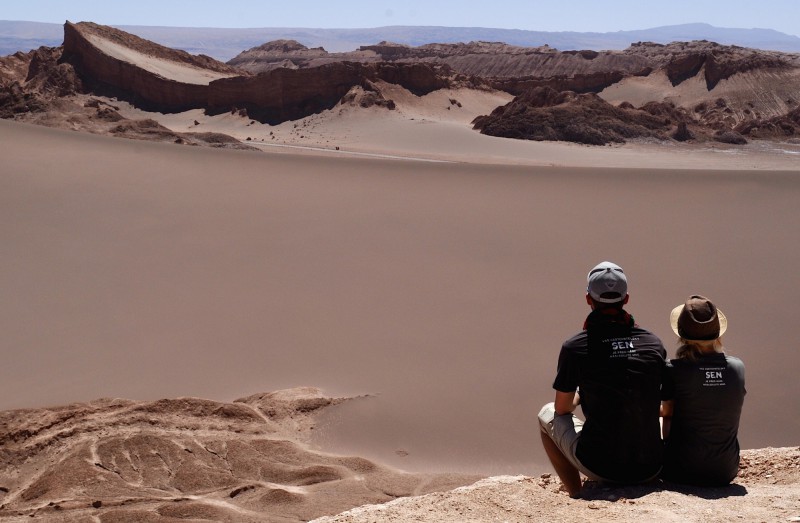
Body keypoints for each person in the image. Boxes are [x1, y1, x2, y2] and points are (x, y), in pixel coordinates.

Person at [538, 261, 667, 497]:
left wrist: (579, 394)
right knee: (659, 414)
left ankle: (575, 493)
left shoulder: (576, 346)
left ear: (588, 299)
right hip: (651, 467)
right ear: (626, 299)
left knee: (545, 414)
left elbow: (562, 408)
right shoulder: (653, 344)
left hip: (601, 466)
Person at [660, 295, 746, 486]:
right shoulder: (737, 367)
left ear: (682, 336)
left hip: (679, 472)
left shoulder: (673, 369)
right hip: (726, 471)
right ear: (718, 333)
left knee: (661, 415)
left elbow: (667, 414)